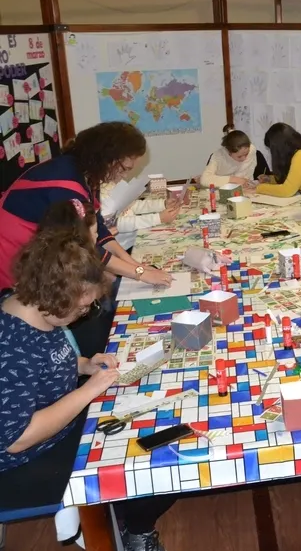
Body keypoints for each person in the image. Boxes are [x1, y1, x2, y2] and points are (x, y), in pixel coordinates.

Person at [0, 229, 175, 551]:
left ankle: (127, 508)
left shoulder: (32, 310)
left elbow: (47, 362)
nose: (85, 313)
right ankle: (136, 529)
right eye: (83, 307)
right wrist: (88, 391)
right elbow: (16, 438)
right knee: (161, 455)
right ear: (55, 298)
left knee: (161, 420)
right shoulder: (11, 349)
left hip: (60, 420)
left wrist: (83, 365)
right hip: (28, 456)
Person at [0, 121, 173, 291]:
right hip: (11, 251)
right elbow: (84, 243)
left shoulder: (86, 173)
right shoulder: (66, 183)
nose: (123, 176)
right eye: (123, 169)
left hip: (33, 247)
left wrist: (134, 264)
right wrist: (139, 273)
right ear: (106, 158)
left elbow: (97, 226)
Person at [101, 180, 182, 251]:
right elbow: (118, 224)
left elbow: (134, 205)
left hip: (136, 238)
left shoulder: (111, 184)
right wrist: (158, 218)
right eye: (123, 170)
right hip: (123, 247)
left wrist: (163, 204)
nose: (124, 175)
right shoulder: (98, 196)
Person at [255, 123, 301, 198]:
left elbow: (287, 190)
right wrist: (270, 179)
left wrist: (258, 188)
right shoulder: (298, 153)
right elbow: (291, 180)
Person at [200, 125, 264, 189]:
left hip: (246, 190)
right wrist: (233, 179)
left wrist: (245, 182)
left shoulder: (251, 149)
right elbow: (204, 179)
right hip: (222, 191)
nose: (244, 158)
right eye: (239, 156)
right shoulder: (218, 156)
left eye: (246, 154)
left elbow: (247, 177)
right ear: (229, 152)